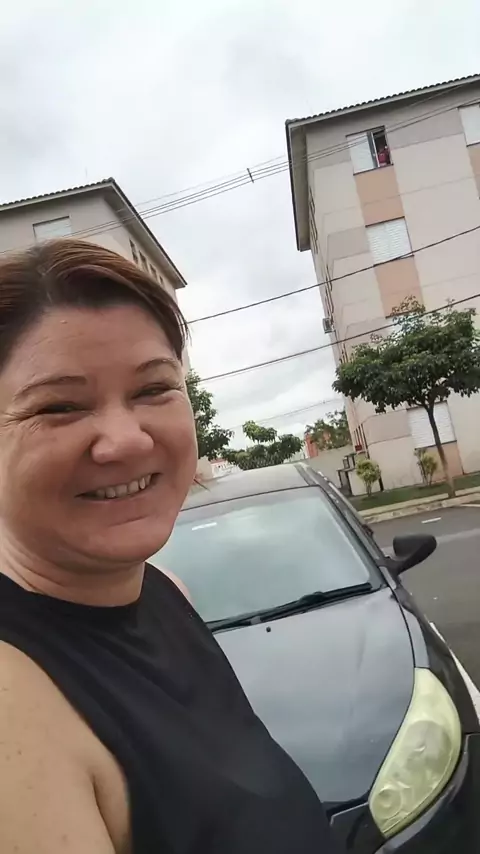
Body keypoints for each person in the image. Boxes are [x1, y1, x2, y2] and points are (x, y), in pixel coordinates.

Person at [0, 239, 340, 853]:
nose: (127, 440)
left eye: (153, 389)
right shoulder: (14, 707)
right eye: (60, 405)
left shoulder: (164, 594)